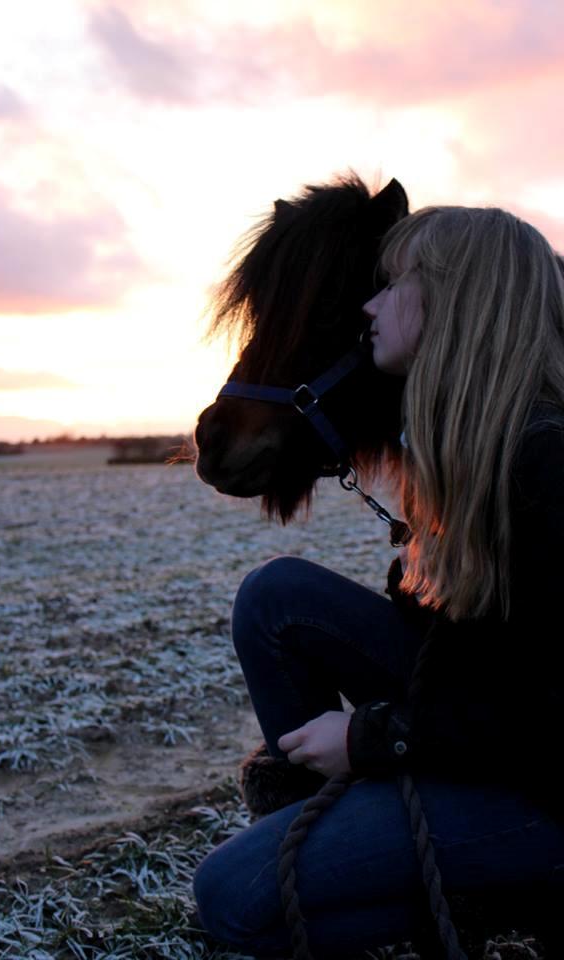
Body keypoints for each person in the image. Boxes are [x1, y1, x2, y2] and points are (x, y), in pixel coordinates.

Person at [192, 206, 564, 959]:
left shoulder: (546, 467)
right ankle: (373, 847)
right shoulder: (473, 450)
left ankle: (478, 889)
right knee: (277, 597)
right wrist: (424, 577)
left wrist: (371, 741)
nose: (367, 305)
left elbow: (546, 719)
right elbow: (487, 652)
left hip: (545, 793)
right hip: (496, 740)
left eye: (394, 285)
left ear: (461, 304)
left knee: (231, 902)